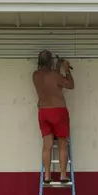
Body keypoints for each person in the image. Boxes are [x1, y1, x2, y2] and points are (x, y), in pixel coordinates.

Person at [32, 49, 74, 183]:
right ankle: (62, 175)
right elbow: (70, 85)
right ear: (50, 61)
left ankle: (47, 176)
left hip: (43, 111)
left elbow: (51, 82)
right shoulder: (55, 76)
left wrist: (57, 68)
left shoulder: (35, 75)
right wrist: (66, 69)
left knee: (47, 145)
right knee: (63, 143)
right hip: (58, 110)